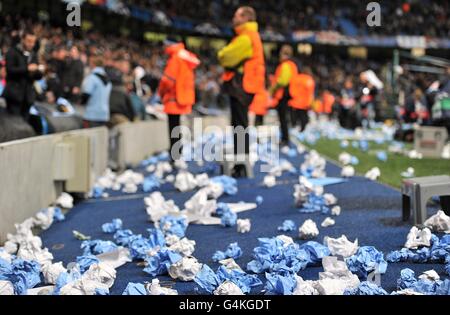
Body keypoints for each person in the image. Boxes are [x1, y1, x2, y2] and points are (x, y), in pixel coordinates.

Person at [218, 6, 265, 177]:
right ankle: (241, 163)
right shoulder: (248, 36)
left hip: (242, 86)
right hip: (246, 85)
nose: (233, 18)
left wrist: (223, 55)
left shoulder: (246, 37)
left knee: (239, 124)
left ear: (245, 18)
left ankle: (241, 166)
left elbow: (225, 56)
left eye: (236, 15)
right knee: (240, 124)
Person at [158, 39, 200, 161]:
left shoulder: (175, 58)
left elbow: (167, 80)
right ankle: (177, 152)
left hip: (173, 97)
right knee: (176, 125)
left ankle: (175, 154)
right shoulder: (185, 57)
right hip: (183, 96)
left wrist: (161, 93)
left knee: (173, 125)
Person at [3, 30, 44, 119]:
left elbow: (38, 77)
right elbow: (10, 70)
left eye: (33, 42)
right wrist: (27, 68)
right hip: (14, 96)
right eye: (29, 41)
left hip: (28, 97)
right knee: (14, 122)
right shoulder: (12, 52)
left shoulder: (33, 54)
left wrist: (38, 71)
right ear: (23, 40)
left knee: (25, 124)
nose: (31, 44)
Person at [269, 45, 298, 146]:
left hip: (283, 95)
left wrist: (273, 88)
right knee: (285, 118)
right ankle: (285, 138)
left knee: (283, 119)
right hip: (289, 94)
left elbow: (283, 81)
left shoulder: (285, 65)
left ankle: (285, 139)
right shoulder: (292, 65)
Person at [80, 54, 112, 128]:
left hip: (91, 115)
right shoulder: (108, 80)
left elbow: (86, 94)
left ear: (93, 64)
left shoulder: (92, 78)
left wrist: (81, 103)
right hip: (104, 115)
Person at [290, 67, 315, 132]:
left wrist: (294, 97)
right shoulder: (309, 79)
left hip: (295, 101)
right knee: (303, 118)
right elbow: (310, 93)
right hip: (304, 103)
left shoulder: (296, 78)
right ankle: (302, 130)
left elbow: (291, 90)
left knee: (294, 117)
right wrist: (310, 103)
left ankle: (294, 129)